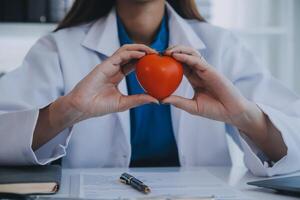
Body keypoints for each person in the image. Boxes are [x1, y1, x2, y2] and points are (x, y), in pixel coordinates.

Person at [0, 0, 299, 176]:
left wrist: (244, 117)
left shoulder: (223, 46)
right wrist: (65, 112)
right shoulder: (56, 48)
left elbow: (294, 135)